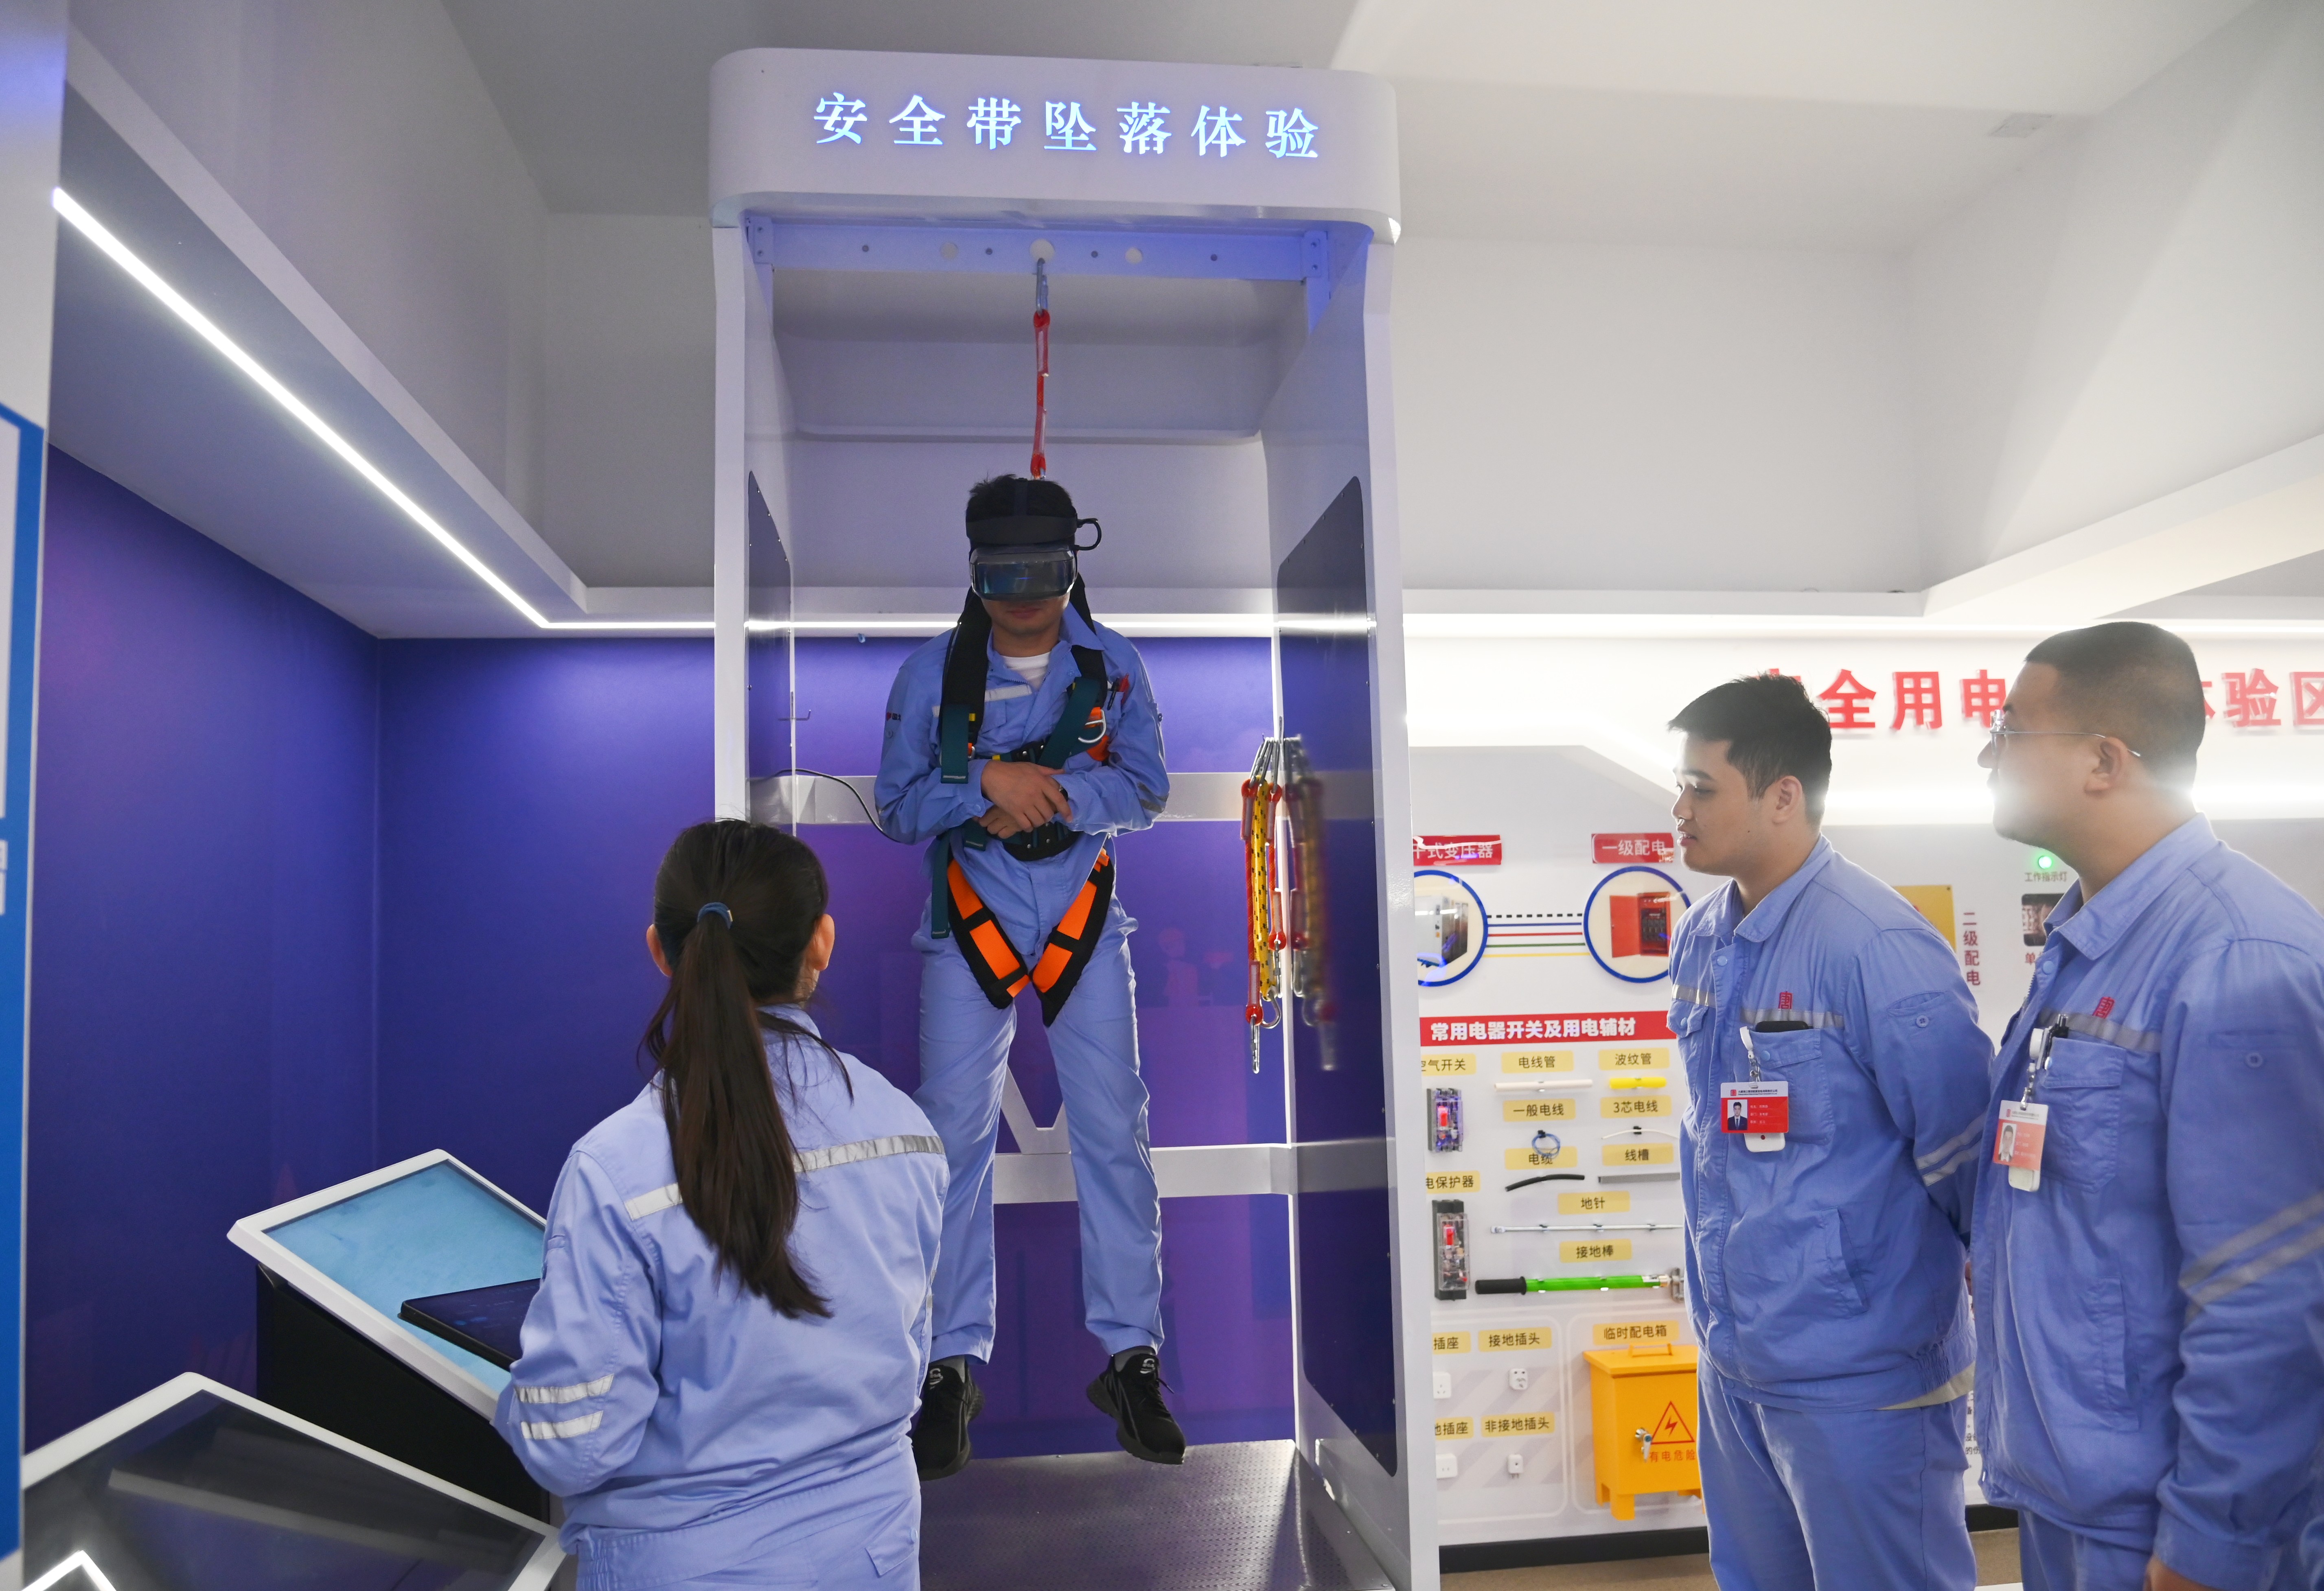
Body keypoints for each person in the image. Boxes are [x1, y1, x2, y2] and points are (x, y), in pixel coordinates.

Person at [494, 822, 945, 1590]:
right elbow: (906, 1355)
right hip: (872, 1557)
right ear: (822, 942)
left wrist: (522, 1398)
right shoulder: (906, 1132)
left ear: (661, 951)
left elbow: (573, 1447)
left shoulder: (614, 1167)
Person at [1971, 621, 2324, 1591]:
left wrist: (2210, 1539)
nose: (1986, 755)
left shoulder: (2236, 958)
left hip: (2167, 1523)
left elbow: (2269, 1287)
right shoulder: (2089, 940)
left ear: (2103, 759)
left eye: (2009, 729)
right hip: (2071, 1490)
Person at [875, 473, 1180, 1478]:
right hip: (969, 920)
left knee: (1114, 1128)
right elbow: (898, 804)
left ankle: (1131, 1354)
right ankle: (946, 1362)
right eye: (1001, 576)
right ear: (973, 573)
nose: (1024, 598)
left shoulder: (1112, 666)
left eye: (1043, 573)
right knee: (949, 1138)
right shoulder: (932, 674)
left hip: (1082, 919)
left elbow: (1145, 789)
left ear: (1071, 564)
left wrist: (1055, 796)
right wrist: (983, 783)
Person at [1666, 673, 1992, 1591]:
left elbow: (1966, 1155)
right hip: (1735, 1363)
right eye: (1678, 785)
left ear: (1782, 796)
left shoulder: (1874, 943)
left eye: (1700, 787)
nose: (1678, 809)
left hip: (1863, 1378)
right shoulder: (1700, 937)